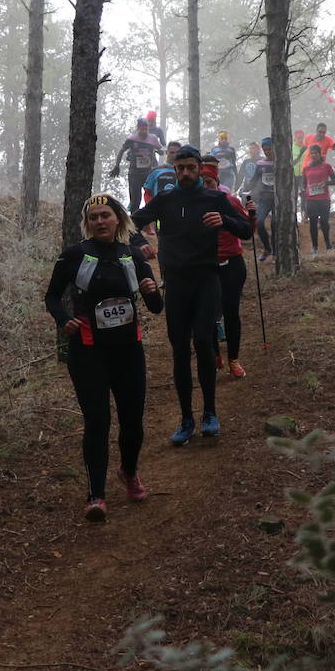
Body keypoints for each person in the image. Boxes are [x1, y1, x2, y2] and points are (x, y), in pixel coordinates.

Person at [44, 194, 163, 521]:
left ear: (118, 219)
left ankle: (129, 471)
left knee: (132, 422)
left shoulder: (133, 256)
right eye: (93, 216)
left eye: (105, 215)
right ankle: (96, 494)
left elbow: (155, 308)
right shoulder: (74, 255)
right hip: (88, 352)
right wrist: (63, 319)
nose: (99, 221)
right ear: (87, 222)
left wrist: (153, 291)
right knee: (97, 422)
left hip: (128, 351)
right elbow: (52, 296)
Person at [131, 147, 251, 445]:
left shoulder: (214, 198)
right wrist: (139, 244)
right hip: (176, 283)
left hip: (207, 279)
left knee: (202, 341)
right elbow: (131, 222)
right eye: (180, 168)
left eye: (190, 167)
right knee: (180, 349)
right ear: (174, 169)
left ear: (200, 168)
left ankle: (210, 412)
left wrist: (224, 221)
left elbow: (246, 229)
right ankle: (186, 418)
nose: (185, 173)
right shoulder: (167, 199)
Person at [201, 163, 255, 378]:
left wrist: (252, 217)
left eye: (209, 182)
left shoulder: (230, 201)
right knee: (209, 313)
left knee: (231, 312)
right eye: (201, 182)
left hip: (232, 264)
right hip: (206, 265)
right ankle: (215, 356)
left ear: (217, 183)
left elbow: (247, 231)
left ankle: (234, 359)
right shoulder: (192, 205)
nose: (205, 186)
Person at [111, 118, 164, 212]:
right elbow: (122, 151)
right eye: (142, 129)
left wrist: (160, 151)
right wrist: (117, 166)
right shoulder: (132, 139)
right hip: (134, 173)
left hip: (148, 173)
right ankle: (134, 223)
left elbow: (161, 149)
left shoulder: (153, 138)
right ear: (138, 128)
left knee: (151, 198)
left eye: (146, 128)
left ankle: (151, 221)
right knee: (135, 199)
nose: (144, 131)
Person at [240, 137, 277, 261]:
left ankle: (276, 252)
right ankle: (267, 248)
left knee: (274, 224)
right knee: (259, 222)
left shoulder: (281, 162)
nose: (267, 152)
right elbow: (254, 180)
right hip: (264, 198)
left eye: (269, 149)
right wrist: (244, 191)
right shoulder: (261, 164)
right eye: (265, 150)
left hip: (277, 200)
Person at [300, 143, 335, 253]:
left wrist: (326, 183)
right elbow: (303, 183)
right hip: (311, 198)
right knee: (313, 221)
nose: (313, 155)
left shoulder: (327, 166)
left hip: (324, 199)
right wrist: (302, 190)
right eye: (311, 153)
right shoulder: (306, 168)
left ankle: (327, 243)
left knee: (324, 222)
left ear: (319, 153)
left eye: (315, 153)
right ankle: (315, 247)